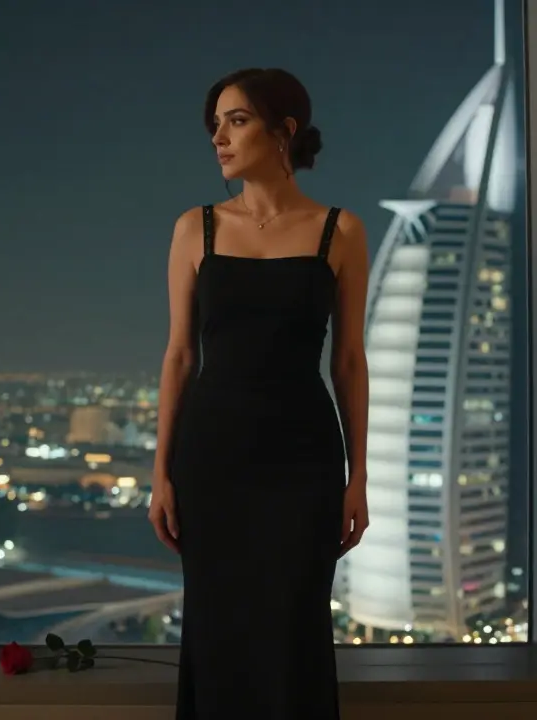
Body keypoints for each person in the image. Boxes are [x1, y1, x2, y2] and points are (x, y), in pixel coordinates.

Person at [147, 67, 371, 720]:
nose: (218, 136)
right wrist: (161, 473)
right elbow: (180, 355)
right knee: (217, 635)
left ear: (285, 131)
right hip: (212, 461)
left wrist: (358, 479)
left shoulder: (342, 231)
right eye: (214, 123)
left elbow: (350, 362)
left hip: (303, 462)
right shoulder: (197, 228)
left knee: (296, 632)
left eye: (236, 120)